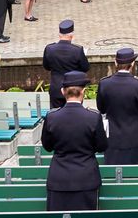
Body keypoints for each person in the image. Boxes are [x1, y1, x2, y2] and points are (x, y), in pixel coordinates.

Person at [42, 71, 108, 211]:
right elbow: (102, 145)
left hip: (59, 179)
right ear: (83, 92)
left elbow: (47, 146)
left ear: (62, 91)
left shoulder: (52, 117)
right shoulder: (93, 117)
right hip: (86, 178)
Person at [97, 49, 138, 165]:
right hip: (134, 136)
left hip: (112, 136)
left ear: (116, 63)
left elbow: (101, 108)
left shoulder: (104, 83)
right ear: (132, 64)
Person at [43, 20, 90, 110]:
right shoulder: (77, 50)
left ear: (59, 35)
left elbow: (46, 66)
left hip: (56, 88)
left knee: (56, 116)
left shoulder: (49, 49)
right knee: (75, 115)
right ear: (71, 36)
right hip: (74, 89)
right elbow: (85, 67)